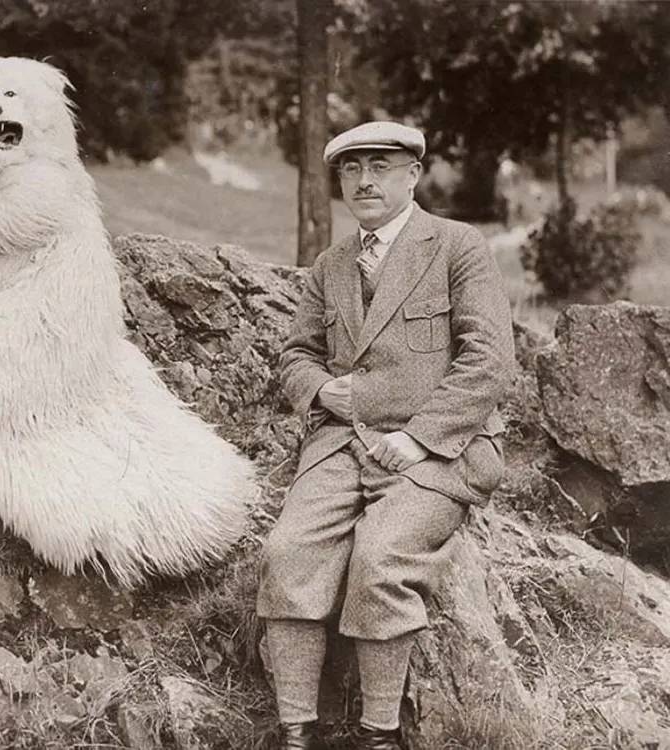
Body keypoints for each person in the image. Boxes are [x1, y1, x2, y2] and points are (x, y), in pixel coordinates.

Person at [258, 121, 514, 750]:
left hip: (441, 450)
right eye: (351, 169)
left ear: (412, 175)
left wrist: (423, 439)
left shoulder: (456, 246)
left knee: (379, 560)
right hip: (342, 443)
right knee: (286, 554)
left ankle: (378, 735)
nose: (365, 181)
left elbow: (488, 361)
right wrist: (320, 388)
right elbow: (297, 353)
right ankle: (297, 732)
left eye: (380, 166)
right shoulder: (331, 264)